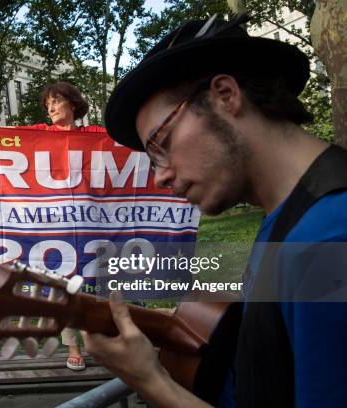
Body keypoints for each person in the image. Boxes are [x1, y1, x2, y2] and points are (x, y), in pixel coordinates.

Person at [83, 15, 347, 407]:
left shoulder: (329, 238)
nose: (160, 177)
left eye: (160, 143)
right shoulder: (291, 219)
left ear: (225, 95)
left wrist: (150, 380)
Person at [0, 82, 104, 371]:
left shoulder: (94, 136)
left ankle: (94, 342)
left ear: (73, 105)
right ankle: (74, 347)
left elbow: (127, 145)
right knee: (64, 289)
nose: (51, 108)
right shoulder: (39, 135)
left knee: (90, 286)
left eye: (56, 102)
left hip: (91, 227)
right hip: (55, 230)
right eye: (48, 104)